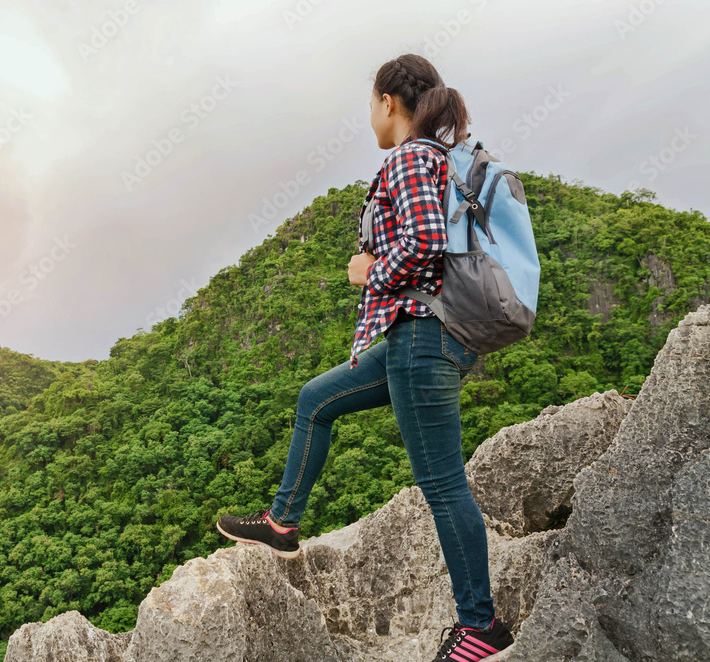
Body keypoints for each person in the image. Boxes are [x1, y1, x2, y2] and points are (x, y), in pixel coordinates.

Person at [215, 53, 514, 660]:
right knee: (316, 399)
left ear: (387, 103)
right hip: (424, 339)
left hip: (422, 339)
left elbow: (426, 241)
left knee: (443, 484)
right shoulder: (441, 158)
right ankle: (281, 526)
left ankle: (478, 625)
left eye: (369, 104)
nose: (369, 116)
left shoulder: (408, 157)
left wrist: (370, 269)